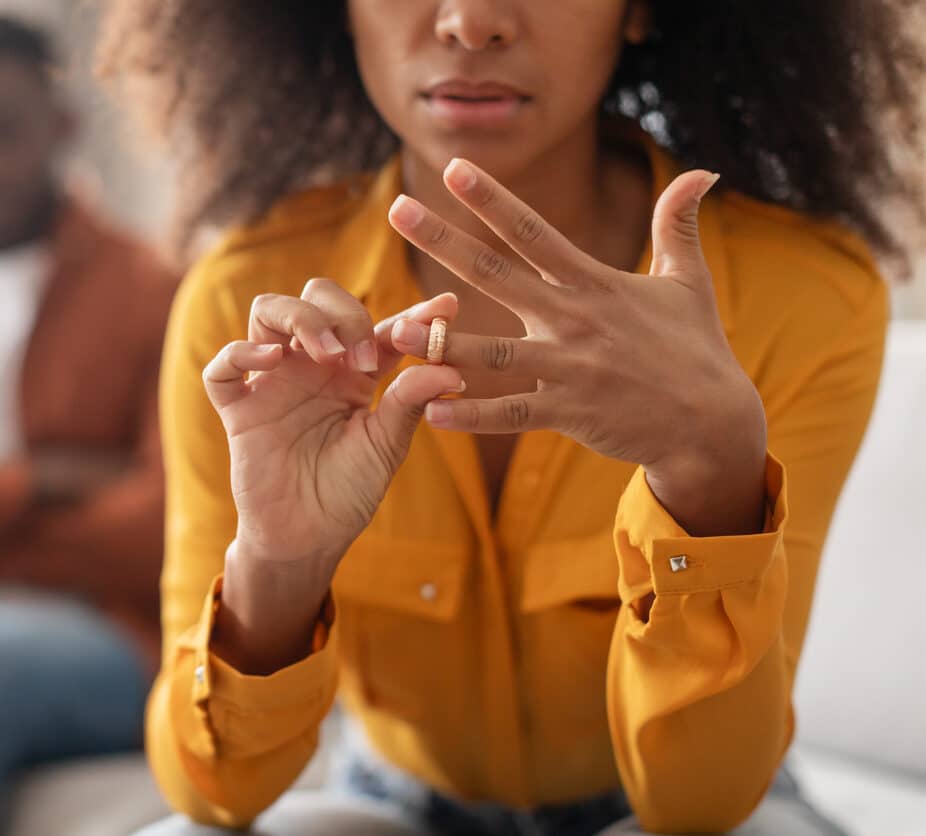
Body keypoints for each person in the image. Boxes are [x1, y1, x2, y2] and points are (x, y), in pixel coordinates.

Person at [98, 2, 923, 835]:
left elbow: (700, 806)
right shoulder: (247, 303)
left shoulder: (804, 299)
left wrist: (710, 483)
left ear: (638, 11)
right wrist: (278, 567)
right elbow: (211, 795)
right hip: (390, 800)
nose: (471, 22)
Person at [0, 15, 176, 827]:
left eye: (3, 131)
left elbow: (164, 528)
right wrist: (42, 485)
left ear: (62, 128)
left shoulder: (151, 288)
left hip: (114, 630)